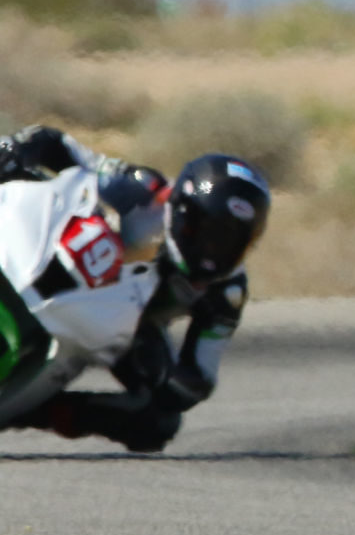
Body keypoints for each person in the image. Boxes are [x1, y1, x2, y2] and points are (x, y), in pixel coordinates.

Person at [0, 126, 271, 452]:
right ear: (181, 211)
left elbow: (201, 374)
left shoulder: (227, 294)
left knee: (156, 422)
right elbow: (56, 144)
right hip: (85, 274)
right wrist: (16, 149)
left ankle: (34, 412)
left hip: (130, 329)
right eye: (207, 233)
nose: (212, 251)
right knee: (17, 170)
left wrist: (173, 381)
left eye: (230, 242)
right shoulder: (142, 188)